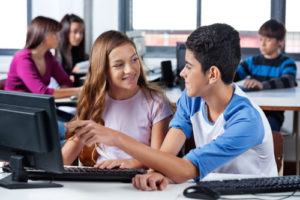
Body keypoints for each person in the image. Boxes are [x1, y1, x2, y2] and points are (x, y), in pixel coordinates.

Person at [65, 23, 278, 190]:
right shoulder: (192, 98)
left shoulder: (246, 120)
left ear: (212, 74)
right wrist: (156, 171)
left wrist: (116, 137)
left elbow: (186, 169)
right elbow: (166, 157)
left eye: (188, 66)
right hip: (213, 189)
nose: (182, 73)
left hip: (254, 194)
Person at [62, 30, 173, 168]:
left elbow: (161, 160)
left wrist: (131, 163)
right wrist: (80, 133)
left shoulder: (155, 101)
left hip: (139, 180)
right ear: (103, 70)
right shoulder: (95, 102)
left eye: (134, 59)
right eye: (119, 65)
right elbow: (64, 161)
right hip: (104, 179)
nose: (130, 69)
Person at [234, 19, 297, 131]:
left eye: (268, 40)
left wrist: (262, 85)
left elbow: (289, 80)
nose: (262, 44)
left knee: (263, 130)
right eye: (260, 39)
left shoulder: (287, 63)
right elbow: (234, 76)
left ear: (280, 41)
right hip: (250, 111)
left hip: (272, 116)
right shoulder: (252, 62)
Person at [5, 16, 81, 99]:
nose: (59, 38)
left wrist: (64, 93)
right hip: (18, 109)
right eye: (55, 34)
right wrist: (79, 90)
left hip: (37, 106)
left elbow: (66, 81)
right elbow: (42, 92)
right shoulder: (22, 59)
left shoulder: (48, 57)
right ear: (42, 34)